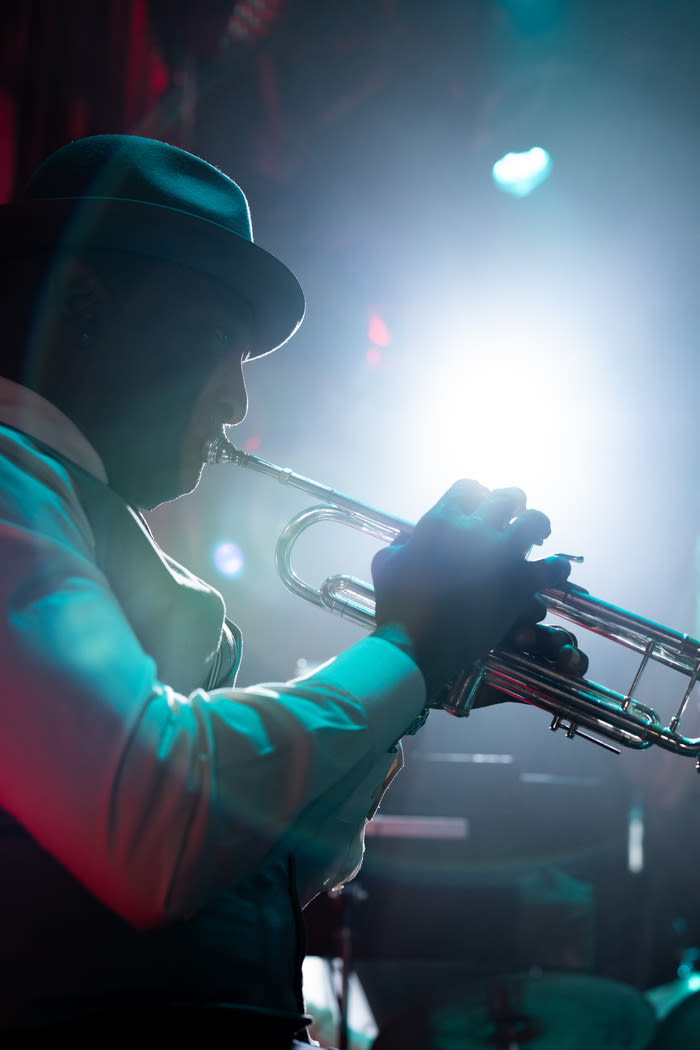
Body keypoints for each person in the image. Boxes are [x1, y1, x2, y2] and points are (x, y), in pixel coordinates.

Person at [0, 134, 585, 1043]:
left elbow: (256, 872)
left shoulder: (82, 517)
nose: (235, 404)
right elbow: (154, 830)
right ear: (83, 307)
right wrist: (406, 650)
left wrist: (421, 684)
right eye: (215, 348)